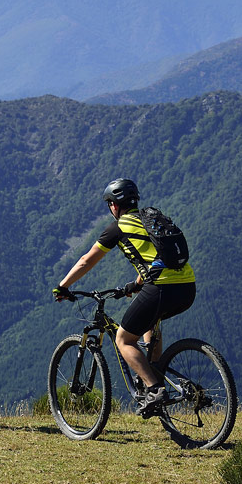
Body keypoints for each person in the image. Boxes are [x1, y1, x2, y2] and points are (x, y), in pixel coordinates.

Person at [53, 178, 196, 417]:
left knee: (124, 339)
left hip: (161, 288)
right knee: (150, 324)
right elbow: (154, 259)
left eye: (109, 204)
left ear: (114, 205)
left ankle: (154, 388)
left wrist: (63, 286)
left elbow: (87, 260)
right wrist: (135, 284)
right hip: (187, 287)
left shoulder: (118, 228)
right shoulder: (150, 221)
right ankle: (154, 370)